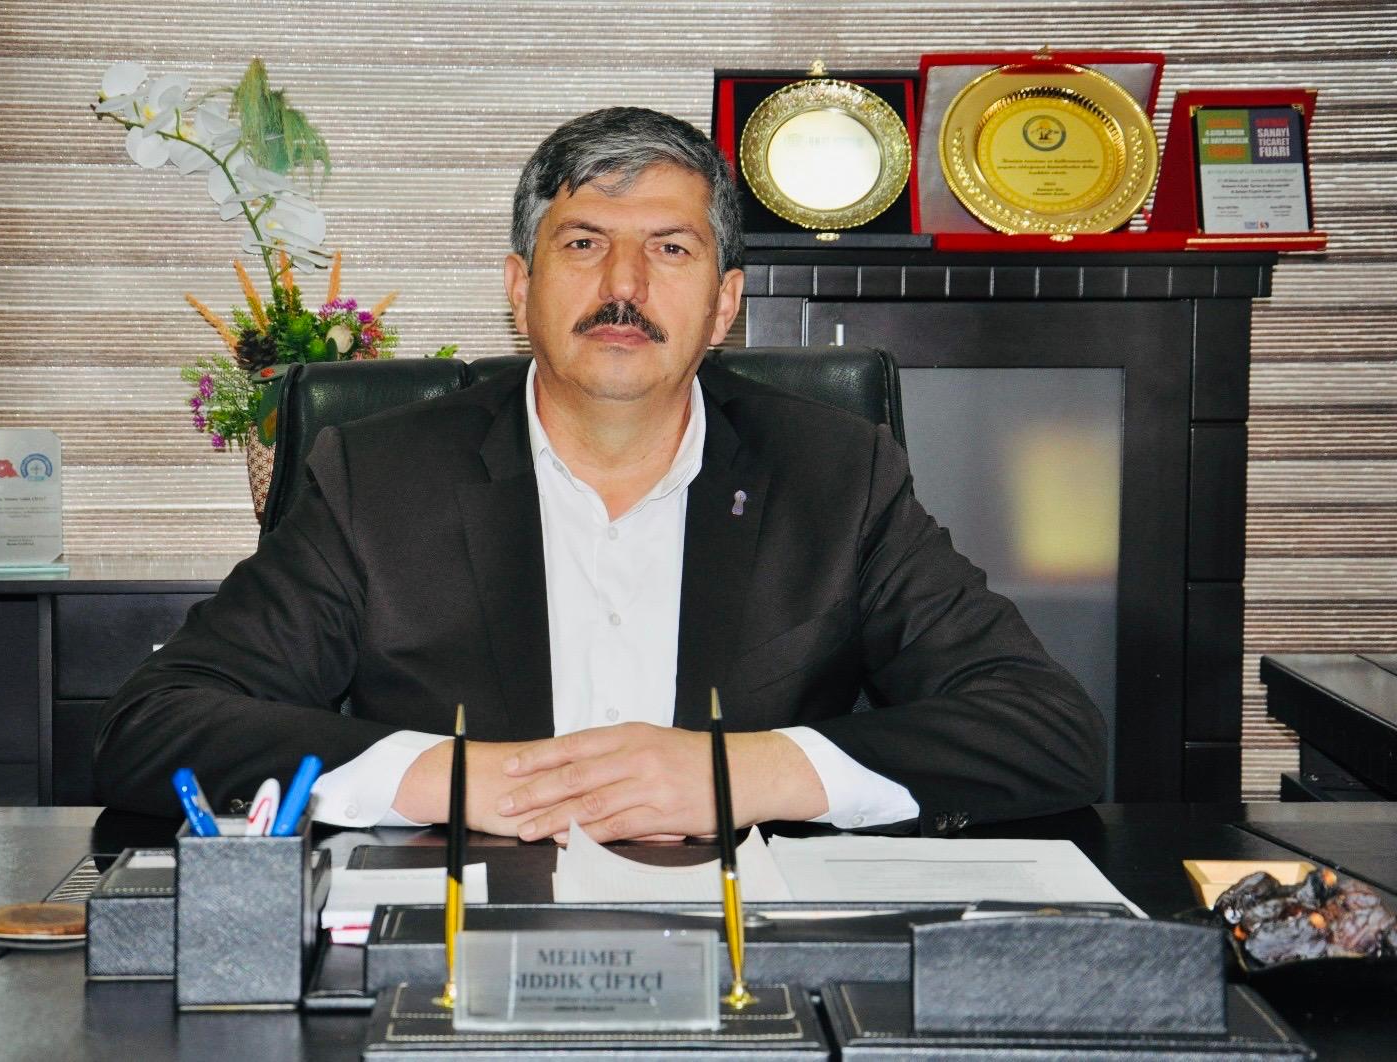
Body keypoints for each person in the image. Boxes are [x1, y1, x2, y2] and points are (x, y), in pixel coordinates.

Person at [94, 107, 1105, 840]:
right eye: (583, 244)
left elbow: (1048, 731)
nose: (624, 285)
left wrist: (740, 775)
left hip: (750, 953)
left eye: (670, 249)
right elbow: (154, 727)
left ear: (724, 305)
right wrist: (450, 779)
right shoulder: (380, 477)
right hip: (463, 941)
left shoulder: (834, 476)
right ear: (520, 288)